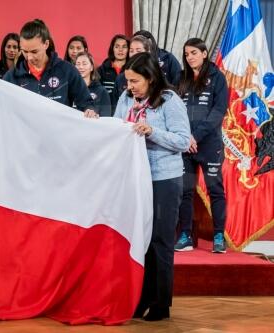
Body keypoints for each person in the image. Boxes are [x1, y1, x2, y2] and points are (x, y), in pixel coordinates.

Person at [112, 52, 190, 321]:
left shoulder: (169, 100)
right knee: (140, 240)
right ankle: (140, 297)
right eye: (128, 81)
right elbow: (116, 128)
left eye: (135, 81)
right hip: (135, 178)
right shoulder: (124, 99)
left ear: (150, 78)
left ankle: (160, 303)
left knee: (160, 241)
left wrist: (152, 132)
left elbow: (183, 140)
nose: (130, 86)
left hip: (164, 179)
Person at [175, 38, 228, 253]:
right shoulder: (181, 78)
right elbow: (175, 109)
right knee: (185, 191)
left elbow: (218, 112)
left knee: (215, 190)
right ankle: (186, 235)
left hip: (208, 145)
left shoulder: (217, 78)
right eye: (187, 54)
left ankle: (218, 236)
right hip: (186, 146)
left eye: (194, 53)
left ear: (205, 53)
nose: (190, 57)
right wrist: (184, 137)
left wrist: (194, 136)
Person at [4, 19, 95, 115]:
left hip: (59, 129)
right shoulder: (12, 76)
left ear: (46, 44)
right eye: (25, 51)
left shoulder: (67, 70)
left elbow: (86, 103)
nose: (29, 57)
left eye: (34, 52)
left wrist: (89, 110)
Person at [113, 35, 155, 101]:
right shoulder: (120, 78)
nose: (134, 54)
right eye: (131, 51)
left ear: (148, 52)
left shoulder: (156, 75)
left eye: (138, 51)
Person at [75, 52, 111, 116]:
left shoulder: (102, 91)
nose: (80, 67)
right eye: (78, 64)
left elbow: (106, 117)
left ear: (91, 67)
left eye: (84, 64)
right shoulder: (69, 90)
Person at [97, 34, 129, 107]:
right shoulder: (102, 70)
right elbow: (98, 93)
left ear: (128, 50)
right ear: (112, 49)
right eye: (117, 46)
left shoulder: (132, 69)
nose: (120, 50)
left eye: (124, 47)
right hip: (107, 111)